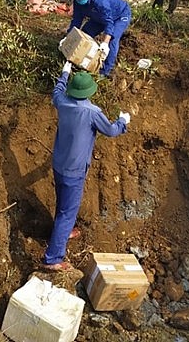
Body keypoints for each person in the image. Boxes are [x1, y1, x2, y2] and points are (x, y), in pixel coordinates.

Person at [42, 62, 130, 271]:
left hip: (59, 164)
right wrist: (123, 121)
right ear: (90, 91)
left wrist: (64, 72)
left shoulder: (62, 102)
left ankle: (64, 232)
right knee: (67, 211)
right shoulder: (92, 112)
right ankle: (53, 259)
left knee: (62, 204)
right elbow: (110, 131)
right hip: (75, 170)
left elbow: (57, 90)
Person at [66, 0, 131, 77]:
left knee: (112, 39)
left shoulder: (100, 1)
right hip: (98, 17)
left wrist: (105, 43)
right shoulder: (77, 1)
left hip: (119, 16)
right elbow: (76, 20)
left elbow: (109, 23)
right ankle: (82, 61)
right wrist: (69, 37)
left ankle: (105, 71)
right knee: (85, 34)